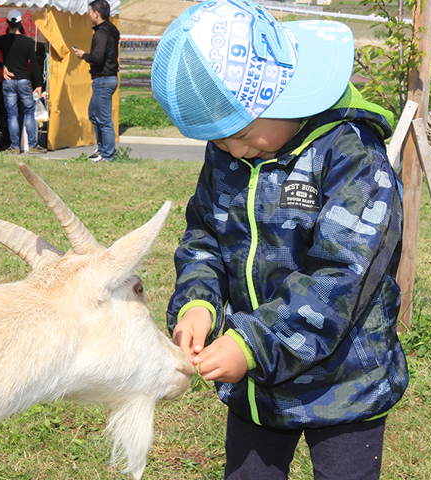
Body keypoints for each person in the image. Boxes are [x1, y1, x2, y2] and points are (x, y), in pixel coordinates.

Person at [151, 2, 409, 479]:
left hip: (342, 388)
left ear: (285, 96)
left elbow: (339, 277)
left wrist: (249, 344)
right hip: (258, 388)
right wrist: (197, 304)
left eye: (244, 135)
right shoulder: (233, 149)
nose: (233, 151)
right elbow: (205, 234)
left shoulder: (353, 156)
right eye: (221, 143)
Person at [0, 9, 45, 154]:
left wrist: (3, 66)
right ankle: (32, 145)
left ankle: (14, 146)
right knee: (29, 113)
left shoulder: (1, 40)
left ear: (7, 22)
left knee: (11, 114)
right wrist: (39, 85)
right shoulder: (28, 42)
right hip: (24, 80)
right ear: (20, 23)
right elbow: (34, 64)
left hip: (9, 81)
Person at [73, 0, 119, 163]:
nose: (89, 15)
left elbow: (98, 58)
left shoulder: (101, 33)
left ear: (97, 14)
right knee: (94, 114)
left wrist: (84, 55)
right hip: (107, 79)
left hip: (103, 80)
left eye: (90, 12)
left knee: (103, 119)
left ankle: (107, 155)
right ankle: (102, 149)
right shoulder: (111, 30)